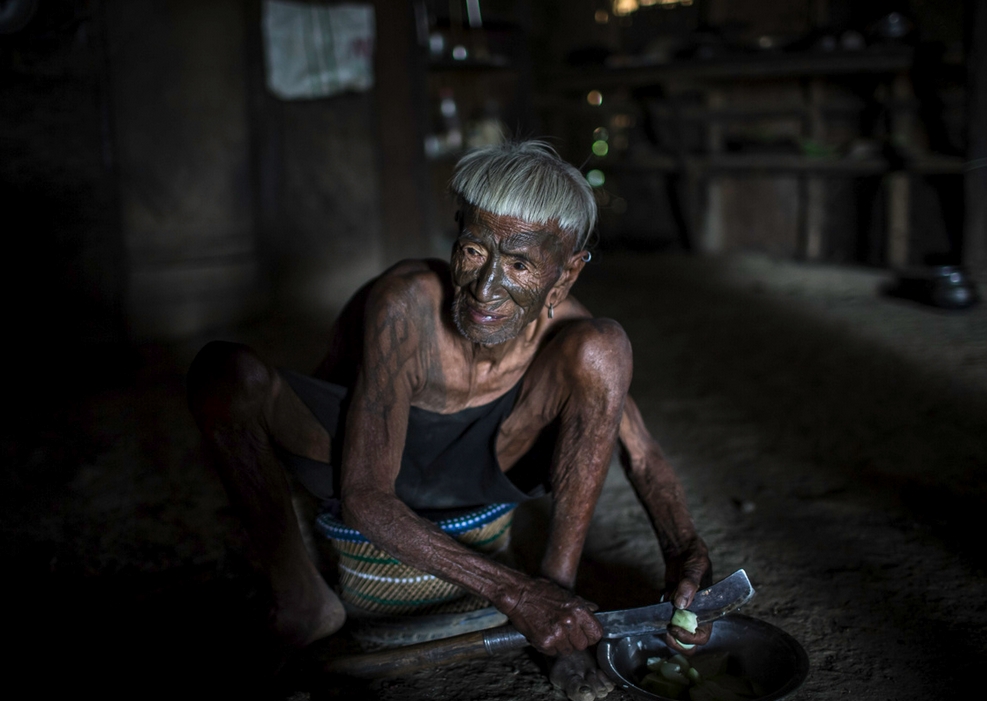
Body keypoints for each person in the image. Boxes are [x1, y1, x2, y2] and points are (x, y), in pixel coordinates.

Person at [187, 140, 712, 701]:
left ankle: (557, 607)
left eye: (519, 265)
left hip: (491, 462)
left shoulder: (571, 341)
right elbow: (365, 495)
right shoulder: (405, 303)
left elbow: (642, 453)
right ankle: (298, 599)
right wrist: (514, 595)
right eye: (474, 250)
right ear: (458, 231)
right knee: (224, 374)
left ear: (563, 278)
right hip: (364, 454)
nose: (486, 288)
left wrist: (684, 547)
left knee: (607, 346)